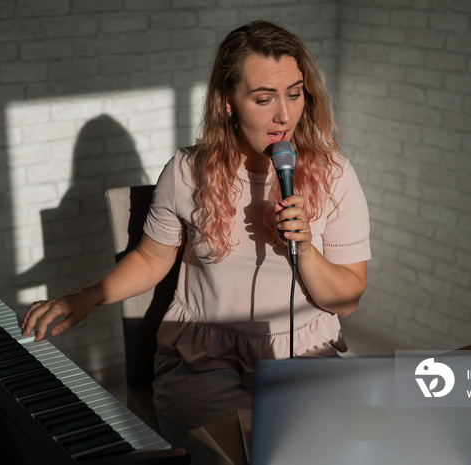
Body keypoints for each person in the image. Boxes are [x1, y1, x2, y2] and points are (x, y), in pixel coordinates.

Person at [22, 20, 371, 448]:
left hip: (305, 357)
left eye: (295, 94)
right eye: (264, 98)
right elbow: (153, 258)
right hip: (205, 361)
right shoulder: (187, 172)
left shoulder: (334, 175)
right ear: (228, 102)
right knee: (236, 453)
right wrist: (88, 295)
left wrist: (307, 250)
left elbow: (347, 299)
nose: (284, 114)